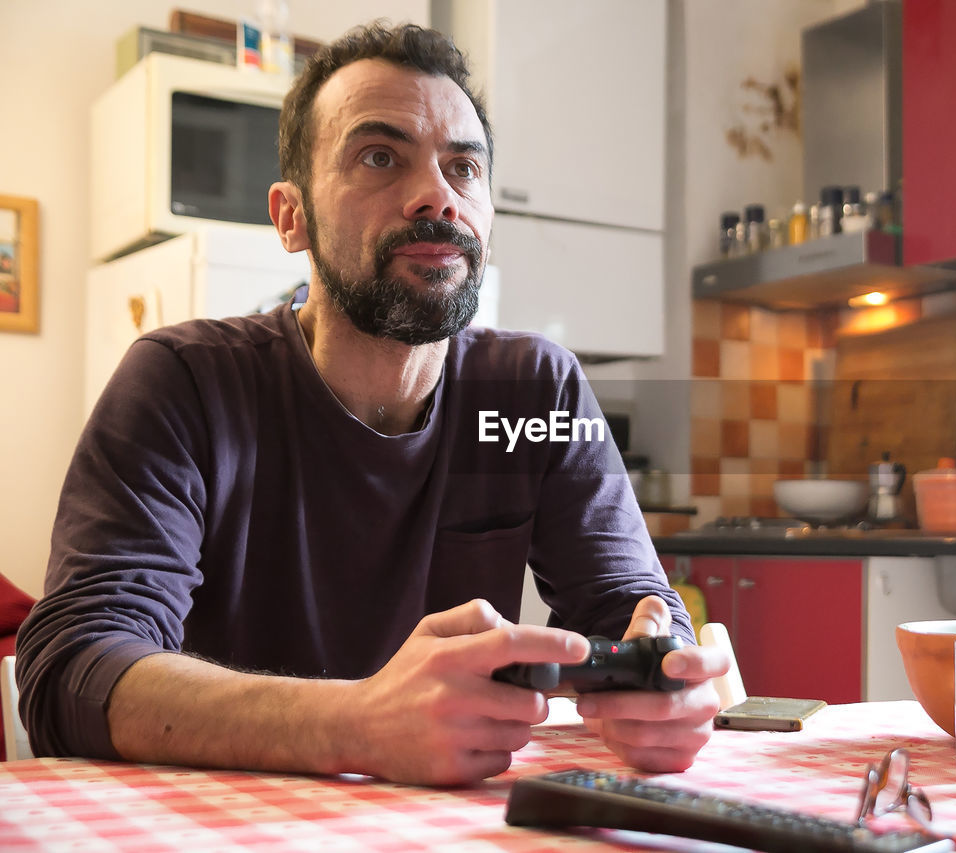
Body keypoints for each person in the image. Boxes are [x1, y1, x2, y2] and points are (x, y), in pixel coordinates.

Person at [16, 21, 726, 787]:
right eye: (380, 157)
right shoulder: (183, 383)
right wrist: (357, 722)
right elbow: (73, 668)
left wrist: (661, 671)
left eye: (464, 169)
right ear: (291, 216)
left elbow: (630, 604)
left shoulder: (531, 390)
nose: (437, 197)